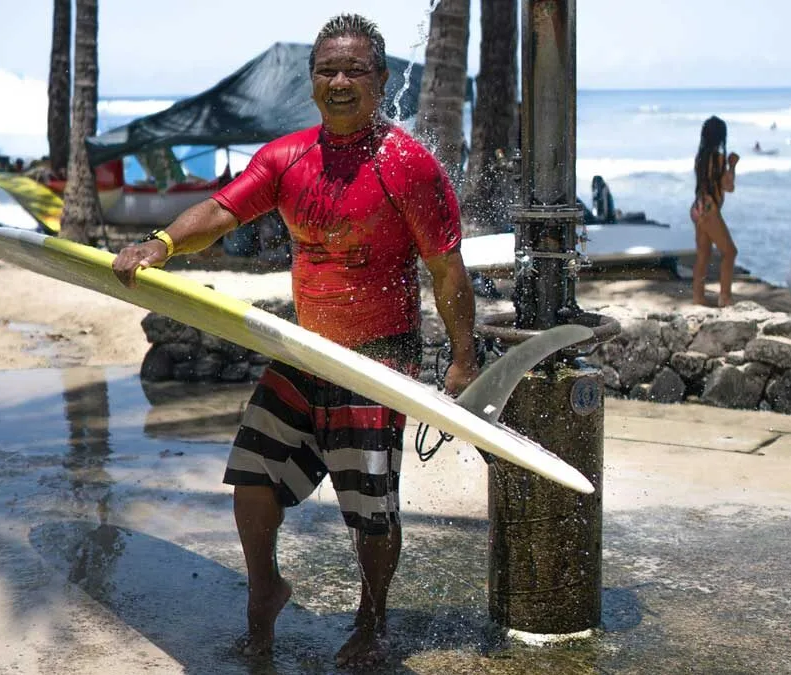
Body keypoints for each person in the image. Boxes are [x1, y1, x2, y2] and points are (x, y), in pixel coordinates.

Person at [111, 14, 477, 668]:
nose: (339, 81)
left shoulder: (409, 166)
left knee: (369, 509)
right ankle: (265, 594)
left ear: (382, 80)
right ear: (311, 81)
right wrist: (160, 244)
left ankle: (373, 620)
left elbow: (447, 269)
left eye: (355, 70)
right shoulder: (287, 158)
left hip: (377, 361)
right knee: (252, 479)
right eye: (327, 70)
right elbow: (223, 211)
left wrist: (462, 356)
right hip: (304, 352)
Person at [689, 116, 740, 307]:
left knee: (703, 254)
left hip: (697, 207)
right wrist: (733, 165)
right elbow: (728, 186)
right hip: (709, 209)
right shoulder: (718, 158)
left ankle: (698, 297)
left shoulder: (700, 158)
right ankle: (725, 297)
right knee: (730, 252)